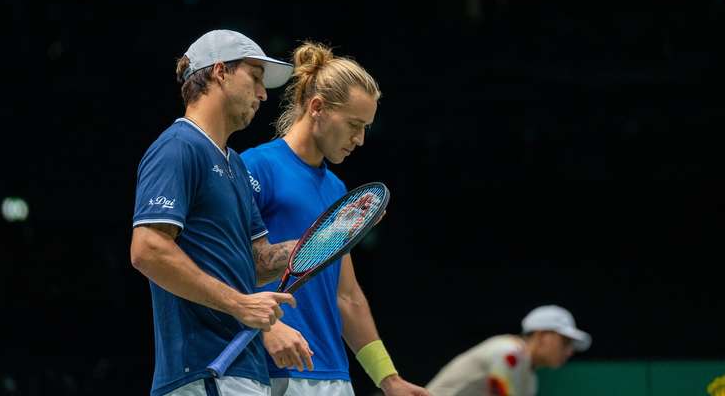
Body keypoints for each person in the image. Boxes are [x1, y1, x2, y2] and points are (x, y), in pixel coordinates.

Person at [241, 41, 429, 396]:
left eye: (366, 129)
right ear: (317, 108)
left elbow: (347, 296)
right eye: (353, 125)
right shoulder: (256, 166)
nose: (359, 140)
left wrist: (389, 380)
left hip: (333, 374)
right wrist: (266, 328)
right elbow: (223, 263)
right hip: (273, 371)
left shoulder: (336, 187)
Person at [130, 29, 303, 396]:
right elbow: (147, 250)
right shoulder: (177, 148)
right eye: (254, 78)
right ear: (220, 72)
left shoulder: (235, 165)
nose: (262, 93)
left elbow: (257, 262)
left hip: (243, 370)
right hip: (204, 371)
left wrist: (325, 240)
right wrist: (240, 304)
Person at [425, 305, 591, 396]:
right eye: (565, 341)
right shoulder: (508, 352)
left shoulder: (530, 380)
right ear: (542, 335)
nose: (569, 351)